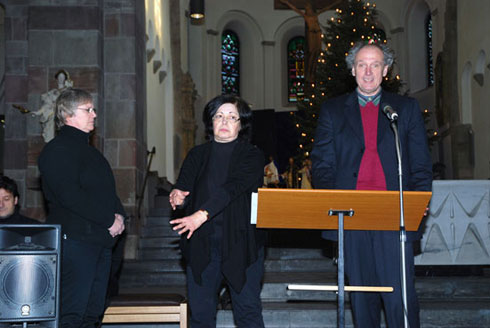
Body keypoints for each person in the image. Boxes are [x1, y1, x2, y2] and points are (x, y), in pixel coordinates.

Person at [311, 41, 432, 328]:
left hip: (395, 214)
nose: (368, 71)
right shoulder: (333, 110)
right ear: (352, 70)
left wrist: (418, 202)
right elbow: (322, 164)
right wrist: (333, 203)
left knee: (400, 299)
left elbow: (420, 164)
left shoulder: (404, 108)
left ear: (385, 70)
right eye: (362, 65)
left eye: (375, 65)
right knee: (361, 300)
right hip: (350, 216)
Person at [169, 94, 266, 327]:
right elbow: (183, 189)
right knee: (201, 316)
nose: (224, 122)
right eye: (218, 116)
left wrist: (201, 215)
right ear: (210, 122)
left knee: (248, 314)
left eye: (232, 117)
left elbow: (232, 189)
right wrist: (177, 197)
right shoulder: (196, 155)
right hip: (202, 244)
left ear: (241, 124)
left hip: (242, 245)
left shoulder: (252, 155)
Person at [38, 88, 126, 328]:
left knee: (93, 314)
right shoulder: (57, 150)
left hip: (98, 241)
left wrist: (120, 217)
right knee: (72, 315)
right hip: (76, 242)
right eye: (88, 109)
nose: (94, 114)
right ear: (68, 115)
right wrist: (110, 219)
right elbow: (71, 196)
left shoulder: (91, 153)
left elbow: (106, 193)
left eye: (93, 109)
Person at [32, 69, 74, 143]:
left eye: (63, 77)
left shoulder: (68, 92)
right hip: (52, 118)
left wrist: (69, 89)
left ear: (65, 79)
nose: (61, 79)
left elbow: (71, 103)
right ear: (57, 78)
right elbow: (46, 106)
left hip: (63, 117)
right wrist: (38, 112)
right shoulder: (52, 93)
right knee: (51, 137)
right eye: (60, 77)